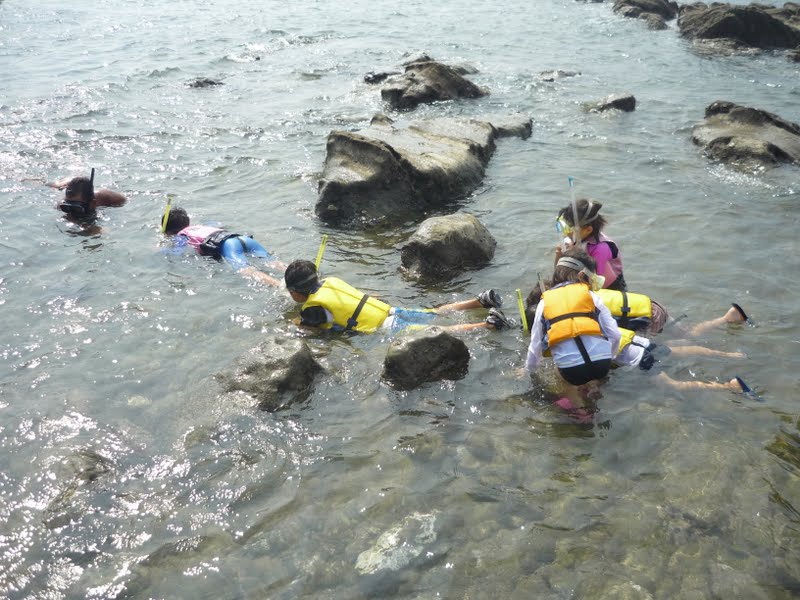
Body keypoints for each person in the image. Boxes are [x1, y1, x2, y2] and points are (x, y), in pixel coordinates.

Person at [283, 259, 512, 334]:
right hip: (388, 309)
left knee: (438, 330)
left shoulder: (312, 307)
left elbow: (313, 328)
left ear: (295, 293)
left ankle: (488, 324)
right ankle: (480, 301)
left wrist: (295, 323)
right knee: (433, 313)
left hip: (385, 325)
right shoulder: (332, 281)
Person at [524, 248, 621, 388]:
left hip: (571, 372)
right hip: (602, 365)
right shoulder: (592, 297)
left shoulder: (544, 303)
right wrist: (609, 357)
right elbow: (615, 335)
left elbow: (535, 347)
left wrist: (528, 371)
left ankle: (576, 397)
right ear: (582, 276)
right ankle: (594, 388)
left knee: (556, 369)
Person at [161, 206, 282, 286]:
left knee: (245, 270)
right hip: (242, 238)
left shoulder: (181, 236)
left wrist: (162, 248)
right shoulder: (200, 226)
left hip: (229, 246)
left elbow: (176, 251)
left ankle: (280, 287)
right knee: (272, 262)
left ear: (169, 232)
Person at [555, 198, 627, 291]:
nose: (565, 233)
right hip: (584, 279)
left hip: (610, 288)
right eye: (564, 226)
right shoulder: (573, 239)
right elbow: (560, 271)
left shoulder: (601, 249)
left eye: (569, 229)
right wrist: (559, 256)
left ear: (588, 230)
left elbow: (594, 282)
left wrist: (574, 253)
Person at [48, 168, 127, 217]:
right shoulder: (61, 205)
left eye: (77, 208)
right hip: (63, 186)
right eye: (67, 208)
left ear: (93, 203)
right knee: (57, 186)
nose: (72, 214)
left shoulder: (111, 198)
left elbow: (125, 200)